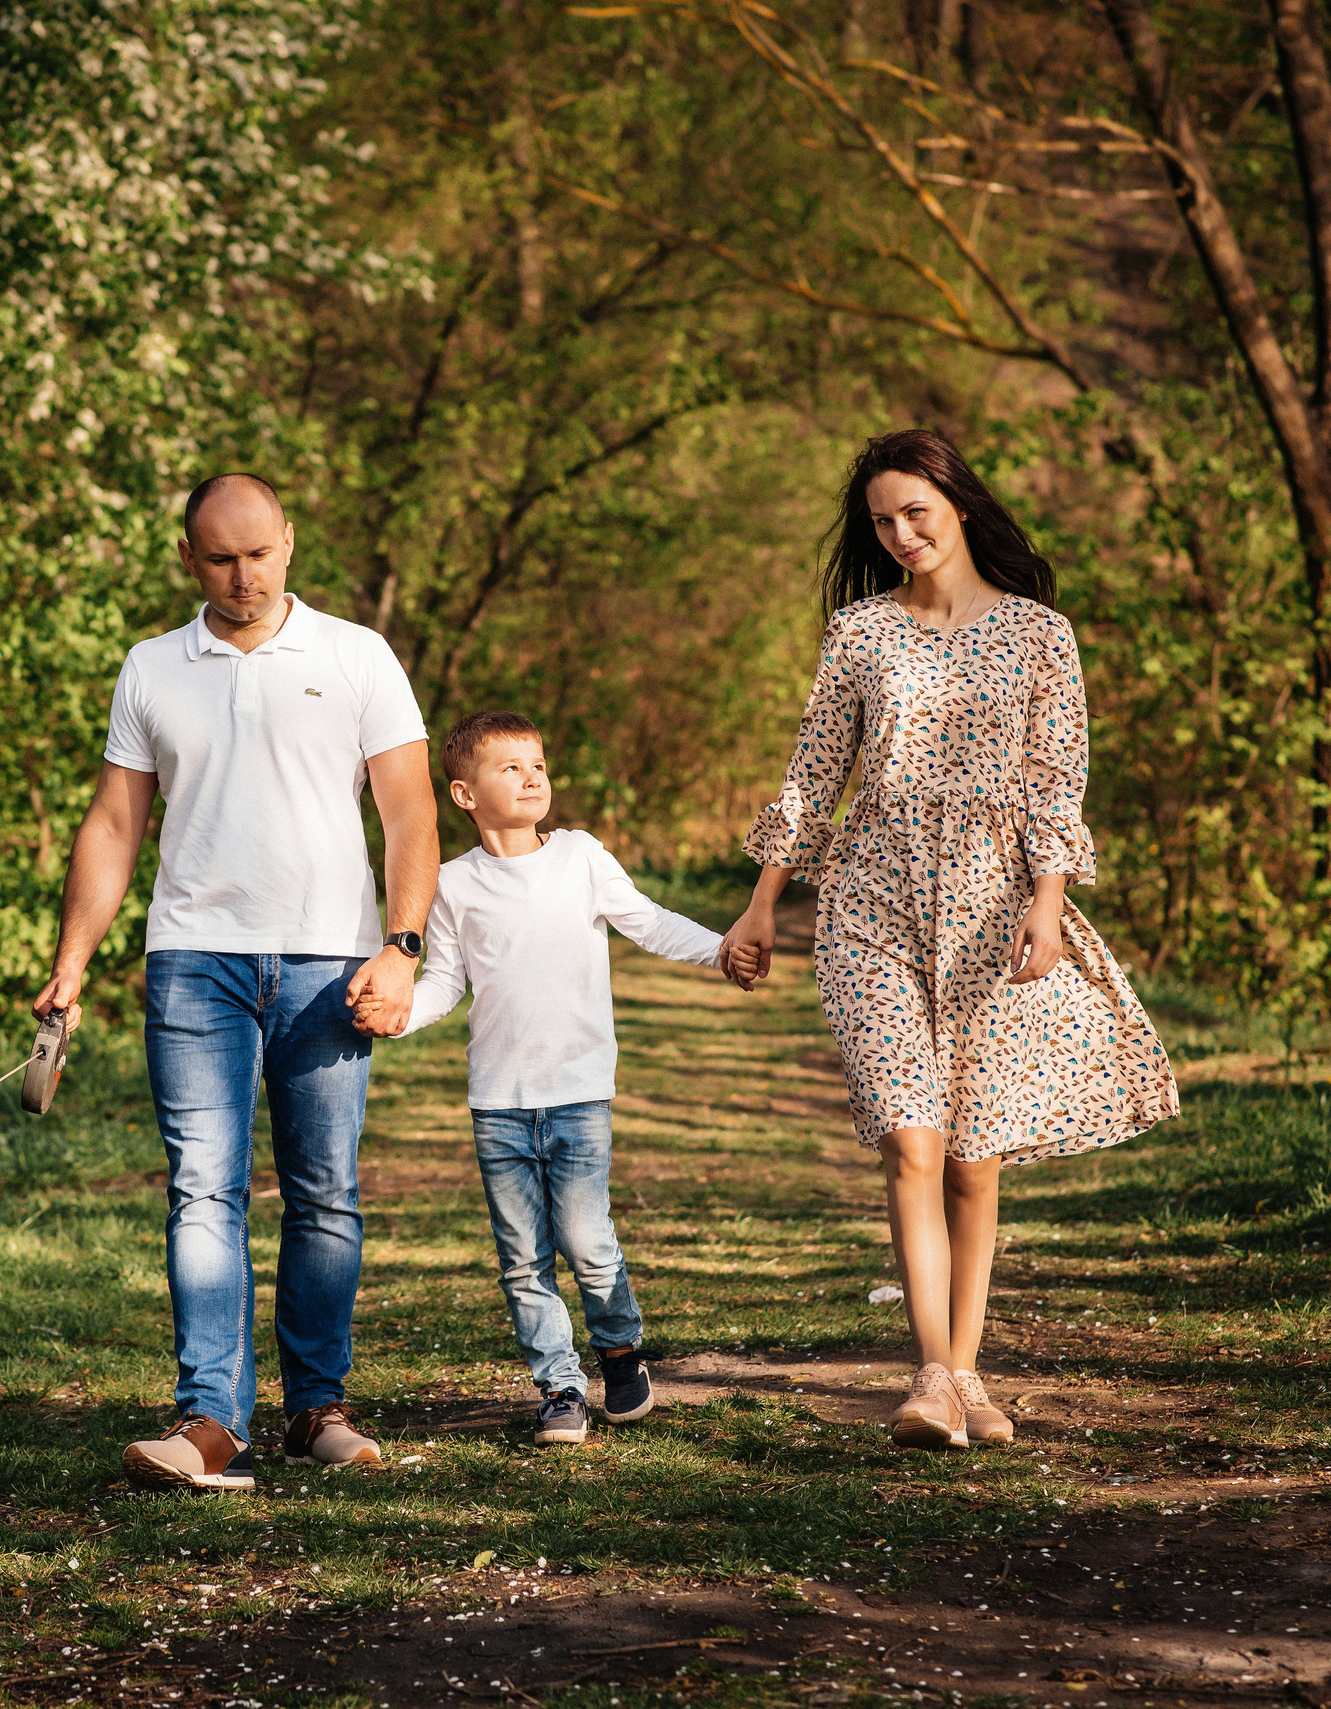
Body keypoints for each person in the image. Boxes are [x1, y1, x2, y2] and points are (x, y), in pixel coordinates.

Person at [718, 429, 1178, 1451]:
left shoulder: (1039, 634)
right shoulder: (859, 631)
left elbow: (1056, 780)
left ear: (958, 504)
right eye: (882, 520)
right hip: (869, 901)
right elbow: (815, 771)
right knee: (910, 1137)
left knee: (973, 1155)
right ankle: (931, 1377)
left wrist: (1047, 900)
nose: (900, 533)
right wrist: (760, 904)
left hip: (991, 903)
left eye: (915, 512)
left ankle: (966, 1372)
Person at [32, 473, 439, 1492]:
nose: (242, 575)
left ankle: (318, 1407)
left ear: (288, 543)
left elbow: (409, 811)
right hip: (192, 958)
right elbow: (115, 823)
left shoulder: (357, 654)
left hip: (329, 960)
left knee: (324, 1191)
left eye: (258, 553)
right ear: (189, 558)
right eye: (220, 558)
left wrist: (401, 946)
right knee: (201, 1188)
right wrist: (71, 962)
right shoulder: (151, 666)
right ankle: (211, 1420)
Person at [360, 711, 724, 1449]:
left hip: (579, 1092)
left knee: (587, 1241)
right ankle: (560, 1387)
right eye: (511, 767)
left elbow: (649, 922)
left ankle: (619, 1351)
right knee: (523, 1259)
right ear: (465, 794)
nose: (532, 778)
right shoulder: (453, 884)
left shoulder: (580, 857)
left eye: (539, 765)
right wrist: (399, 1013)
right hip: (498, 1102)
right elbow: (445, 981)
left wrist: (722, 950)